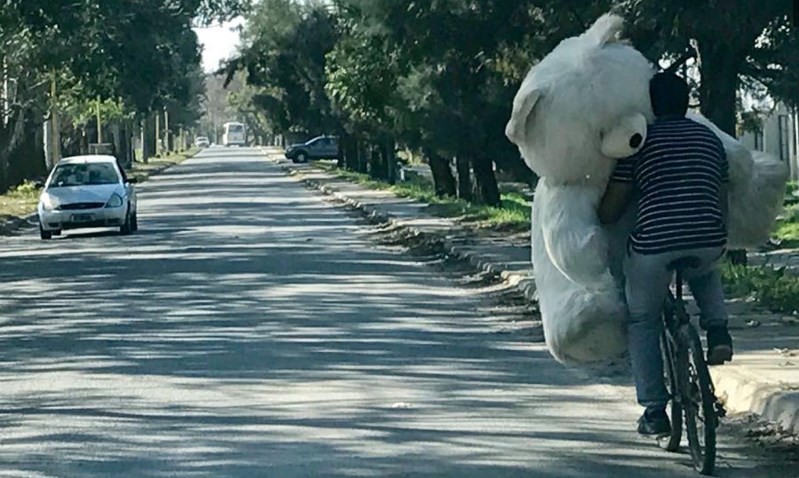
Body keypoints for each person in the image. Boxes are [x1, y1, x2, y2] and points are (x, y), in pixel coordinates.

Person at [598, 72, 734, 436]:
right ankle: (718, 329)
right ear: (687, 100)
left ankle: (655, 412)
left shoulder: (639, 143)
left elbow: (613, 207)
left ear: (651, 105)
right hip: (708, 237)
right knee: (706, 268)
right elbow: (721, 198)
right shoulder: (709, 139)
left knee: (642, 319)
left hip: (655, 246)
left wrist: (601, 216)